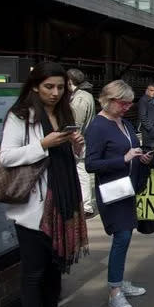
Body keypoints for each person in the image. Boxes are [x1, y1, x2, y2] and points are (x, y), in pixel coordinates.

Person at [0, 62, 88, 307]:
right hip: (34, 209)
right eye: (49, 86)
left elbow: (73, 159)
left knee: (54, 271)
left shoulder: (64, 113)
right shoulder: (21, 115)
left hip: (63, 205)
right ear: (35, 86)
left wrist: (78, 146)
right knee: (34, 273)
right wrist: (42, 144)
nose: (55, 92)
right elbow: (7, 157)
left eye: (60, 87)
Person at [86, 80, 152, 307]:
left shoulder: (122, 122)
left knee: (124, 238)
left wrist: (140, 156)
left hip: (127, 189)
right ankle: (115, 291)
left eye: (129, 104)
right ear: (110, 100)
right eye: (123, 104)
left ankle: (119, 280)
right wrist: (122, 159)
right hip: (113, 192)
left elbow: (131, 148)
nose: (127, 108)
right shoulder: (98, 126)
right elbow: (91, 164)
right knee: (122, 237)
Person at [67, 68, 96, 217]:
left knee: (81, 173)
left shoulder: (79, 99)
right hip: (86, 140)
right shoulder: (87, 95)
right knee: (82, 173)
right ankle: (84, 203)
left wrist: (74, 142)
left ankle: (86, 206)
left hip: (79, 142)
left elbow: (76, 124)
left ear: (70, 81)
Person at [137, 83, 154, 165]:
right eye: (151, 90)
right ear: (147, 91)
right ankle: (150, 174)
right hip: (150, 135)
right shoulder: (143, 101)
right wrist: (152, 130)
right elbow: (143, 117)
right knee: (150, 157)